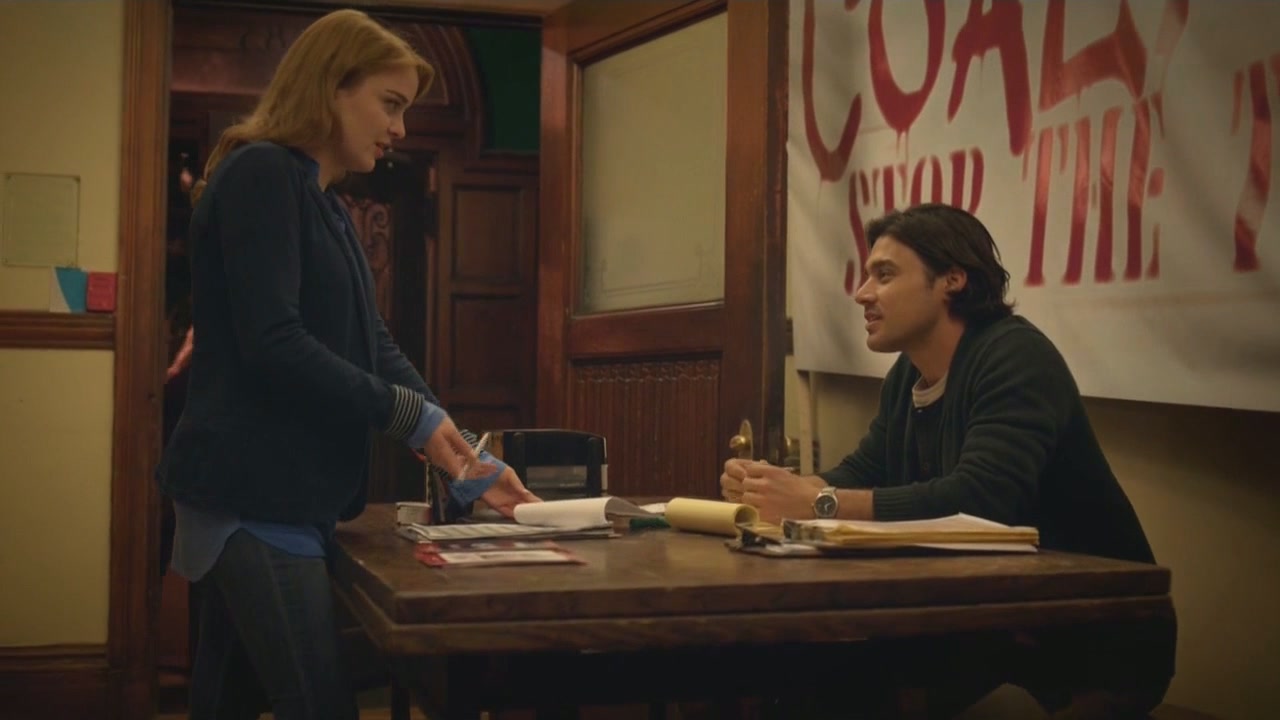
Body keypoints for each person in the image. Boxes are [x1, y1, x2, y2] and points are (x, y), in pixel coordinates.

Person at [155, 10, 539, 719]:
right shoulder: (263, 173)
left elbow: (375, 345)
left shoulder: (320, 200)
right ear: (331, 87)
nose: (399, 128)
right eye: (389, 104)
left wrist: (467, 455)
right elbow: (275, 342)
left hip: (280, 497)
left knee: (229, 701)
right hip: (253, 496)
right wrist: (409, 418)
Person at [722, 203, 1174, 718]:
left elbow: (979, 500)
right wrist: (775, 488)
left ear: (952, 280)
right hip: (986, 617)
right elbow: (866, 471)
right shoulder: (907, 374)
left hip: (1091, 640)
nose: (862, 293)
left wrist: (817, 502)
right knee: (805, 673)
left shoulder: (1015, 356)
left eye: (884, 275)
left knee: (843, 683)